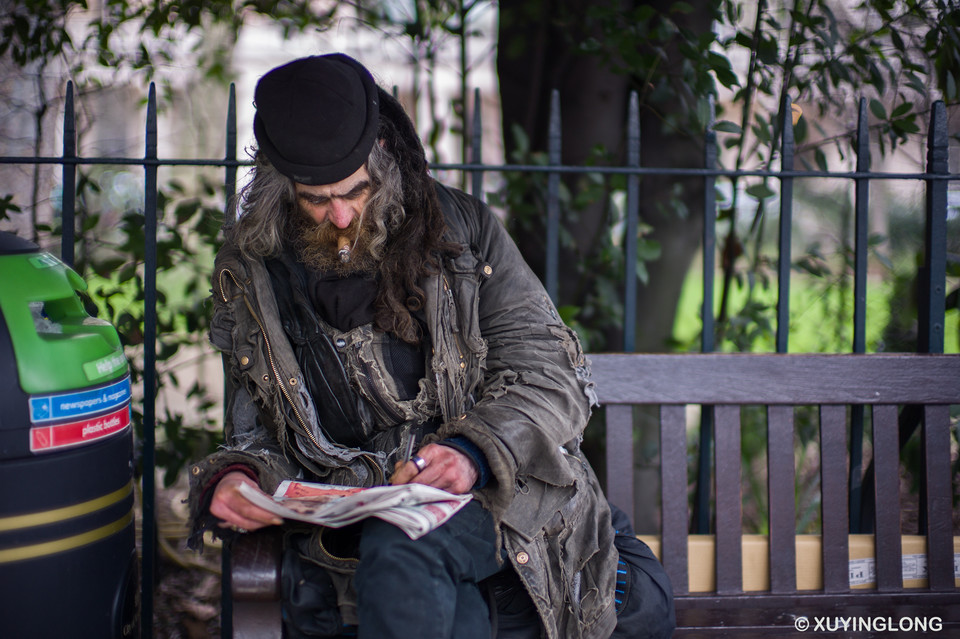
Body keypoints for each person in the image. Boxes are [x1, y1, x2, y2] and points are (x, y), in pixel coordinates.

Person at [188, 53, 673, 639]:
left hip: (498, 504)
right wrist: (237, 476)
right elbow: (257, 431)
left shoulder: (463, 231)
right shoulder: (254, 270)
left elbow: (551, 374)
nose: (340, 216)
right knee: (431, 586)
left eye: (356, 190)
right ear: (277, 185)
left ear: (384, 157)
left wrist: (471, 450)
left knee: (405, 545)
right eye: (315, 200)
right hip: (356, 528)